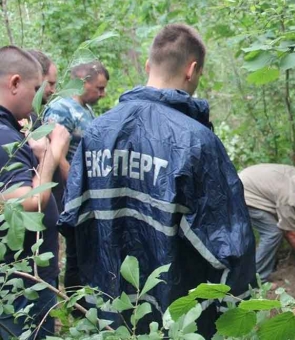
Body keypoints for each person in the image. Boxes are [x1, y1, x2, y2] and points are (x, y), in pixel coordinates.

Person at [57, 24, 256, 338]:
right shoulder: (198, 142)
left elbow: (73, 223)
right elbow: (230, 247)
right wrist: (236, 323)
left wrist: (77, 306)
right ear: (192, 70)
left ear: (148, 66)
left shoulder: (96, 133)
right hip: (177, 325)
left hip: (105, 319)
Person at [0, 45, 70, 339]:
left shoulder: (10, 130)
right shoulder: (4, 135)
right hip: (20, 285)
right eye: (36, 88)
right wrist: (51, 155)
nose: (39, 97)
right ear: (15, 83)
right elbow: (26, 202)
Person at [42, 59, 108, 302]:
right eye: (99, 88)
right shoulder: (61, 109)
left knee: (84, 248)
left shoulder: (85, 110)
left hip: (85, 192)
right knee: (75, 251)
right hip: (69, 192)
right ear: (82, 83)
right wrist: (74, 182)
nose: (102, 93)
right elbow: (54, 150)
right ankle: (74, 305)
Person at [238, 163, 295, 282]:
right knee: (273, 233)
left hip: (242, 183)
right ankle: (256, 279)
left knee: (276, 228)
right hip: (244, 194)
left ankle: (264, 265)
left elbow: (283, 220)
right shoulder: (291, 198)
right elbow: (290, 233)